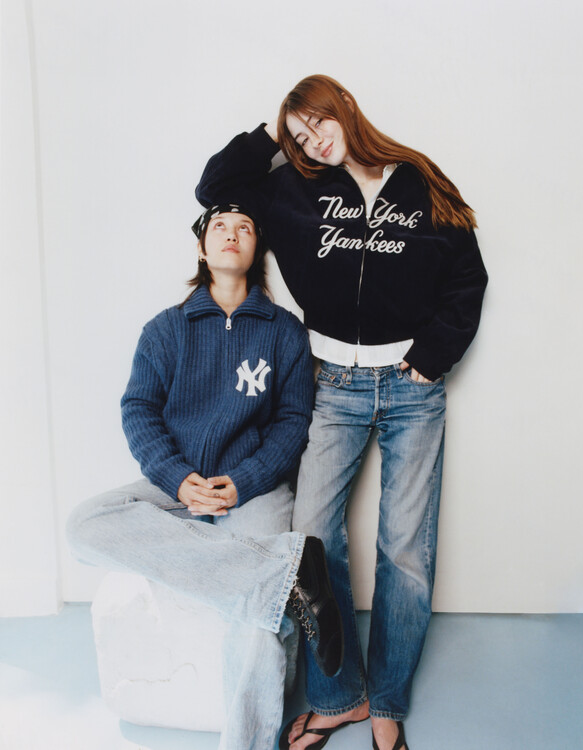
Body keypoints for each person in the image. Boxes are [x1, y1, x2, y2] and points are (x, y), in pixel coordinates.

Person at [196, 75, 488, 750]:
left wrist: (434, 353)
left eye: (318, 123)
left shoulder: (420, 179)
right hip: (331, 385)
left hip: (412, 388)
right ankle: (339, 696)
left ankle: (386, 701)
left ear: (346, 107)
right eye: (299, 136)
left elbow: (468, 275)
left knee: (405, 549)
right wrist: (274, 136)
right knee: (313, 537)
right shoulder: (291, 190)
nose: (313, 141)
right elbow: (215, 187)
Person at [66, 203, 345, 750]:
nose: (231, 235)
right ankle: (284, 574)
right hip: (177, 484)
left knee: (257, 622)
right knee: (83, 525)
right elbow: (138, 410)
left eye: (244, 228)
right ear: (202, 247)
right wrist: (177, 479)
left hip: (253, 488)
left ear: (256, 247)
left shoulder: (285, 332)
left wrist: (245, 479)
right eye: (219, 226)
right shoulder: (165, 329)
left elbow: (294, 422)